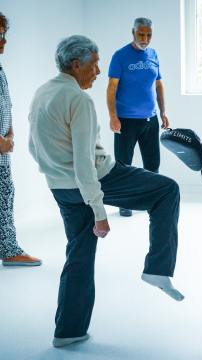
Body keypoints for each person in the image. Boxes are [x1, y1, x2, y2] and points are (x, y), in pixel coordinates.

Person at [28, 35, 183, 348]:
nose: (98, 71)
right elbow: (85, 163)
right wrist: (100, 213)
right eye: (94, 64)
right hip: (97, 178)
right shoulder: (79, 100)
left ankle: (68, 331)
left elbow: (34, 146)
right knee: (167, 189)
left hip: (61, 188)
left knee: (79, 255)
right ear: (76, 64)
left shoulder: (41, 92)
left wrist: (56, 177)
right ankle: (157, 268)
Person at [107, 17, 169, 217]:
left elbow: (158, 85)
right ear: (133, 32)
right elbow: (111, 88)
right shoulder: (120, 56)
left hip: (150, 120)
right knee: (124, 164)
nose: (145, 38)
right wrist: (113, 116)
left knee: (152, 164)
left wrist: (163, 112)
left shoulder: (153, 54)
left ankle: (153, 199)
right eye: (141, 34)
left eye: (149, 34)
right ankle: (125, 203)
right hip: (126, 120)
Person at [0, 12, 41, 267]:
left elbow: (7, 104)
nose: (3, 40)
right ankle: (9, 249)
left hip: (2, 153)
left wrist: (10, 134)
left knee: (5, 196)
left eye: (4, 34)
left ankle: (9, 249)